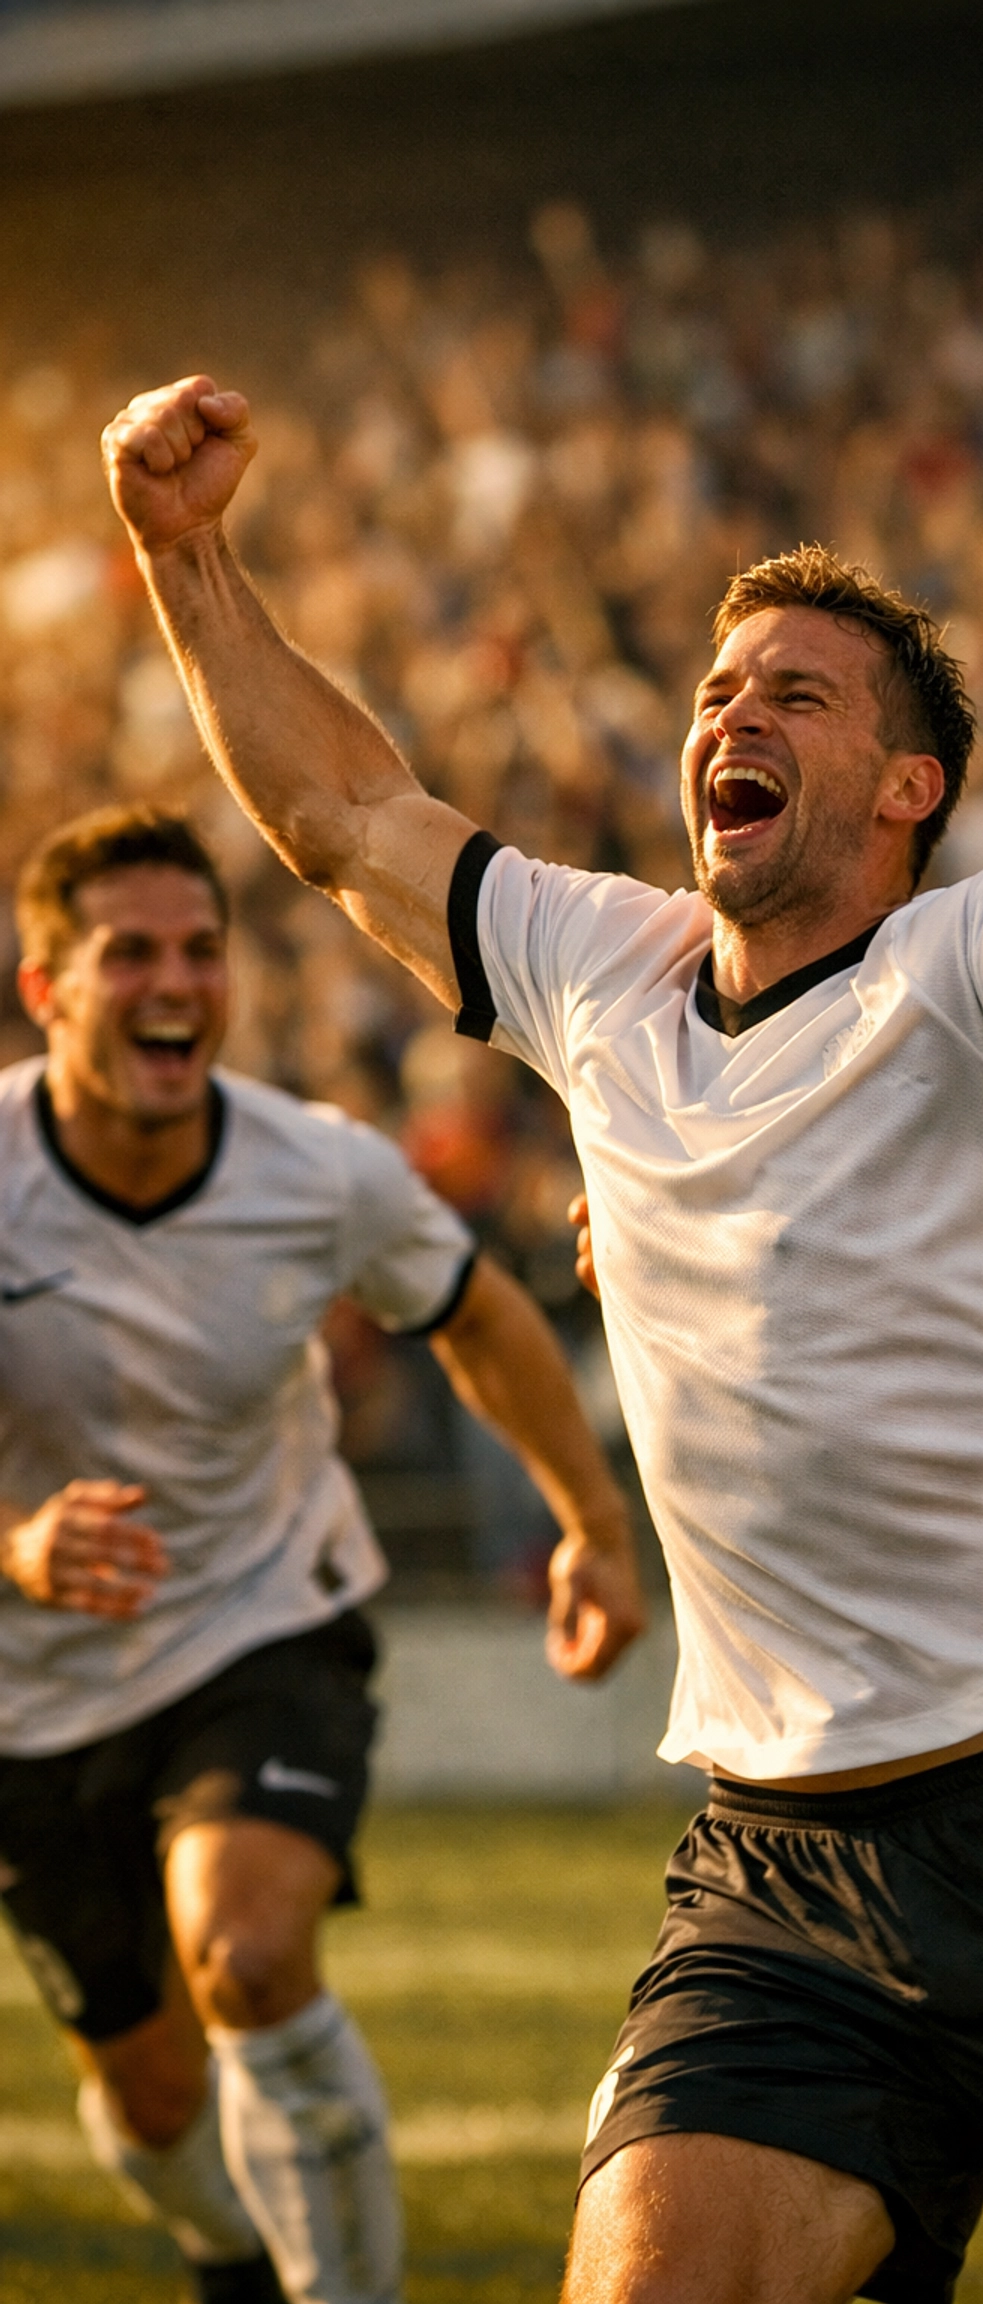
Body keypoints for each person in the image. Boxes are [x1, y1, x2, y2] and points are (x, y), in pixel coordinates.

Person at [100, 355, 983, 2303]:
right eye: (715, 689)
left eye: (796, 692)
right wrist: (185, 555)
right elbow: (343, 813)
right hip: (781, 1870)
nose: (730, 714)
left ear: (906, 785)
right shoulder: (606, 968)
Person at [0, 804, 644, 2304]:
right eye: (128, 954)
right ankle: (230, 2257)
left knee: (248, 1956)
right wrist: (18, 1546)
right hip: (31, 1695)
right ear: (48, 990)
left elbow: (480, 1316)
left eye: (201, 951)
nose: (175, 983)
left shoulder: (318, 1170)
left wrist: (596, 1530)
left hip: (261, 1624)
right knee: (153, 2106)